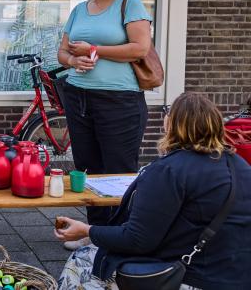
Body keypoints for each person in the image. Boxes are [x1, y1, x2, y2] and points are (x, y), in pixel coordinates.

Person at [54, 93, 251, 289]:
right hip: (239, 275)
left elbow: (137, 239)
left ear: (171, 124)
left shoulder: (168, 169)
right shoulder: (241, 166)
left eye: (168, 112)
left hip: (189, 277)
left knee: (82, 259)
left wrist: (87, 230)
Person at [56, 0, 153, 249]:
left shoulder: (129, 4)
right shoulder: (80, 9)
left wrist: (93, 50)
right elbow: (62, 51)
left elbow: (139, 48)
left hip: (119, 101)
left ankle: (121, 235)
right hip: (79, 97)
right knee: (88, 167)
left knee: (119, 169)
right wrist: (73, 62)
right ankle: (91, 232)